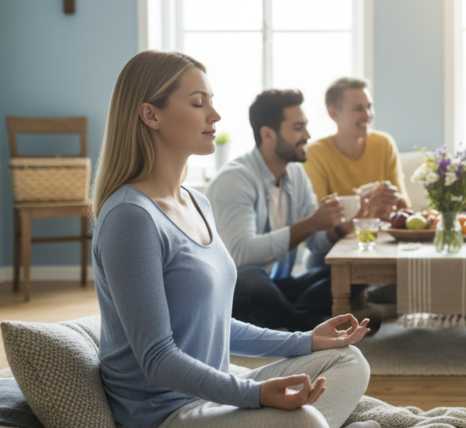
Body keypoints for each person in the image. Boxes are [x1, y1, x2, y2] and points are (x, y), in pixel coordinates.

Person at [91, 50, 376, 428]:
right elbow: (157, 358)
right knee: (303, 420)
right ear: (150, 114)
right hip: (168, 411)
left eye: (212, 101)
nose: (215, 115)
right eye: (198, 103)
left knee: (348, 360)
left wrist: (307, 340)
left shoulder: (196, 202)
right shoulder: (131, 217)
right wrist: (254, 396)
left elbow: (217, 325)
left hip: (218, 385)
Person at [206, 89, 380, 333]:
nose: (307, 135)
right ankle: (308, 327)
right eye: (298, 128)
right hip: (235, 289)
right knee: (250, 279)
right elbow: (240, 255)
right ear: (268, 134)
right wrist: (311, 223)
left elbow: (315, 243)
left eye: (306, 126)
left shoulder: (296, 174)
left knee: (353, 272)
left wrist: (341, 228)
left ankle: (281, 319)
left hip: (277, 286)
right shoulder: (235, 179)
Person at [302, 77, 410, 221]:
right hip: (340, 241)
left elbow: (406, 209)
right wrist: (359, 203)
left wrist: (395, 200)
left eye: (369, 106)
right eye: (358, 109)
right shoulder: (315, 154)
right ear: (334, 114)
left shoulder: (384, 144)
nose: (367, 115)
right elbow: (318, 219)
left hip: (381, 235)